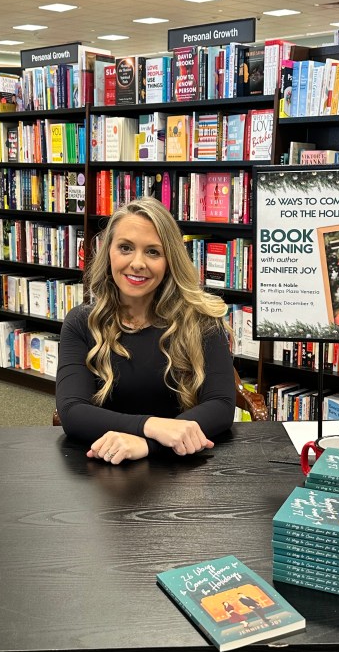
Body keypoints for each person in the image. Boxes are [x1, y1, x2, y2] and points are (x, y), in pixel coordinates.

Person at [56, 196, 235, 463]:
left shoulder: (203, 320)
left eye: (153, 252)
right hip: (105, 467)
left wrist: (147, 444)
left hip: (185, 470)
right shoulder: (82, 322)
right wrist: (151, 427)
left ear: (170, 260)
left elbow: (221, 406)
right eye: (125, 248)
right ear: (108, 253)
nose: (138, 263)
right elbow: (72, 412)